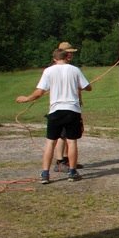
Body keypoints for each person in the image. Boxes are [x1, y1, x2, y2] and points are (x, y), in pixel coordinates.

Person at [16, 48, 92, 183]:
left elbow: (39, 92)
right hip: (72, 110)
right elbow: (88, 87)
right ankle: (72, 172)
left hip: (55, 111)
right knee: (72, 142)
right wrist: (80, 86)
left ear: (54, 59)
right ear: (66, 57)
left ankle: (45, 174)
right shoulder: (75, 70)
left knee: (50, 142)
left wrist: (26, 98)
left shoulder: (48, 71)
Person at [53, 41, 81, 172]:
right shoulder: (57, 68)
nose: (71, 55)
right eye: (69, 52)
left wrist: (79, 99)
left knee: (68, 135)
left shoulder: (71, 68)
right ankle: (60, 162)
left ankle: (67, 159)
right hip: (62, 107)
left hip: (72, 105)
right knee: (62, 136)